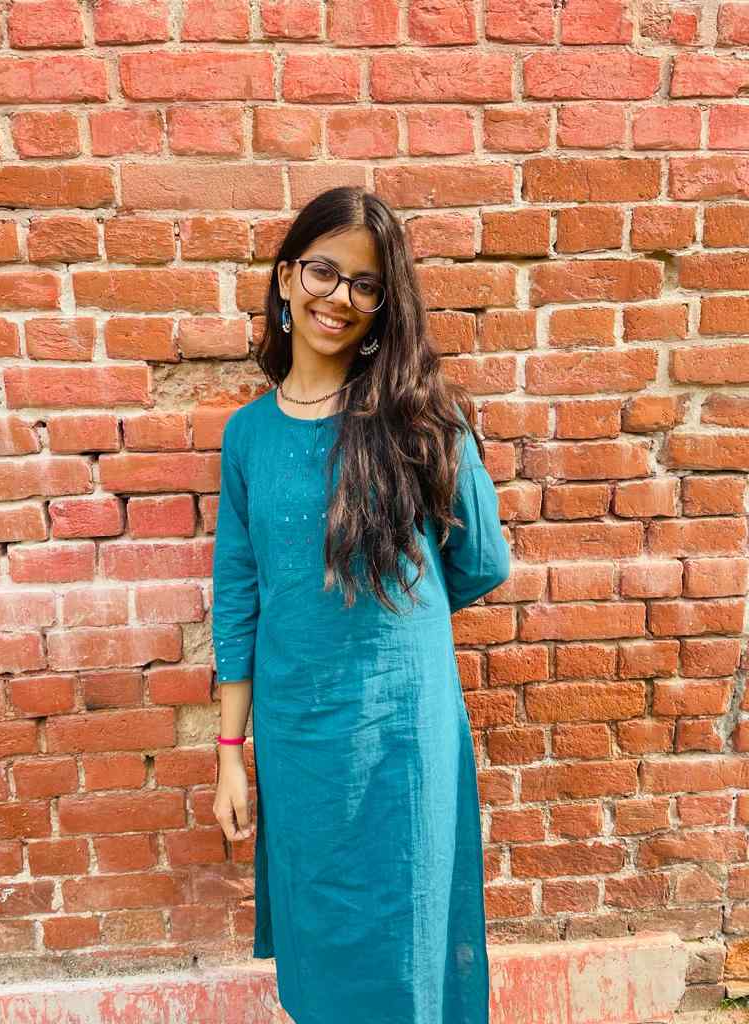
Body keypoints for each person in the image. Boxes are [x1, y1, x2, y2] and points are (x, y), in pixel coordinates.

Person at [210, 186, 511, 1024]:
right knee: (323, 950)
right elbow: (239, 597)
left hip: (404, 734)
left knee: (411, 937)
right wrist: (231, 753)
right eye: (323, 271)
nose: (339, 296)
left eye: (366, 284)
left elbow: (482, 560)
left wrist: (396, 614)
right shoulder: (248, 436)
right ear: (285, 277)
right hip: (298, 740)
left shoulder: (419, 417)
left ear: (384, 304)